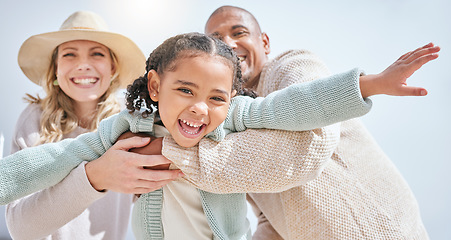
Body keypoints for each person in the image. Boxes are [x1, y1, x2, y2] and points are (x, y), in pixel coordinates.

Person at [0, 29, 437, 240]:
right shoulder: (125, 129)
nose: (199, 108)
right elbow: (58, 157)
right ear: (155, 87)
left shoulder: (237, 119)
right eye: (185, 90)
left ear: (232, 96)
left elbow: (294, 105)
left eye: (215, 97)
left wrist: (370, 83)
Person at [161, 5, 432, 239]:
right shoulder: (225, 117)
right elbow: (270, 216)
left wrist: (168, 152)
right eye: (218, 40)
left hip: (382, 230)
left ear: (265, 42)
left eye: (239, 33)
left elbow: (306, 149)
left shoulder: (291, 65)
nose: (230, 44)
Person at [5, 11, 182, 240]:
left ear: (112, 69)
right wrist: (95, 177)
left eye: (96, 54)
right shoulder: (34, 120)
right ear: (55, 69)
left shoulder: (132, 122)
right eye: (70, 54)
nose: (83, 65)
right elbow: (20, 229)